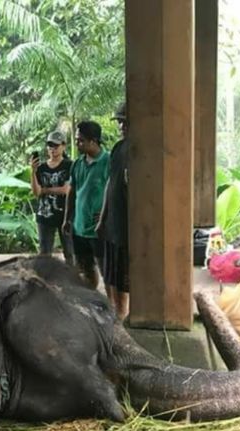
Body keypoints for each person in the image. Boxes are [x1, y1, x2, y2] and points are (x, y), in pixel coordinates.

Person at [63, 121, 110, 290]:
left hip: (98, 229)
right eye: (77, 140)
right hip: (79, 227)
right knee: (84, 269)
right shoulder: (77, 164)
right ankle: (91, 301)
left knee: (106, 271)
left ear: (94, 141)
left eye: (81, 140)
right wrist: (67, 218)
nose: (77, 143)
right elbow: (72, 191)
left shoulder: (108, 161)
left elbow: (113, 191)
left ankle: (112, 307)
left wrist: (107, 216)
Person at [97, 103, 130, 320]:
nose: (120, 125)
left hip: (129, 227)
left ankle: (124, 316)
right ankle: (118, 316)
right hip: (113, 224)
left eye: (124, 121)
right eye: (119, 121)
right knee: (114, 277)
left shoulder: (143, 151)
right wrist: (102, 218)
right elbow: (111, 183)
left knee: (127, 278)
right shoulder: (118, 149)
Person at [30, 130, 74, 264]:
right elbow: (37, 192)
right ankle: (45, 282)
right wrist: (33, 171)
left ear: (63, 146)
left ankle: (71, 281)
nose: (52, 149)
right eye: (49, 146)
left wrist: (45, 190)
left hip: (65, 215)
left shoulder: (69, 165)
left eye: (55, 146)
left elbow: (66, 190)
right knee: (44, 255)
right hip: (45, 215)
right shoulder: (41, 168)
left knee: (70, 253)